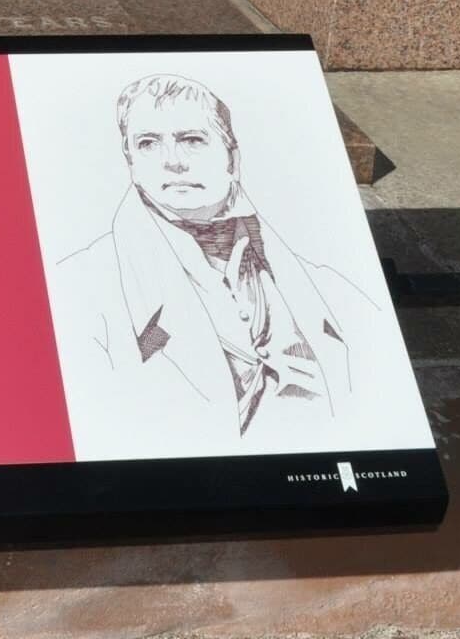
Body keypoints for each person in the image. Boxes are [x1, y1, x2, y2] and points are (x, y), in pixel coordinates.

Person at [51, 74, 382, 443]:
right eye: (148, 143)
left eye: (192, 140)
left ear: (232, 158)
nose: (172, 161)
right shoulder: (77, 288)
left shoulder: (326, 284)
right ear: (130, 162)